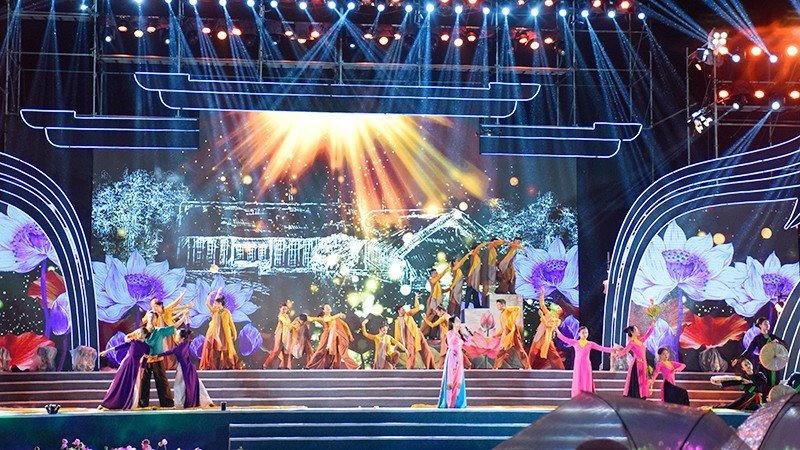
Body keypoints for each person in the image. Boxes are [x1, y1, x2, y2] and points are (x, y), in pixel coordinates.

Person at [139, 311, 189, 408]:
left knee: (162, 382)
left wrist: (184, 317)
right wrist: (127, 338)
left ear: (156, 320)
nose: (151, 319)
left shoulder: (160, 331)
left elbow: (174, 327)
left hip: (157, 360)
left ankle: (167, 404)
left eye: (153, 317)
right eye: (150, 317)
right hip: (145, 360)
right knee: (143, 382)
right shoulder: (142, 331)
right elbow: (132, 336)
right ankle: (142, 404)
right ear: (147, 318)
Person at [157, 325, 214, 408]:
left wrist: (156, 355)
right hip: (190, 367)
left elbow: (167, 352)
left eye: (177, 335)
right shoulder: (185, 343)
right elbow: (187, 332)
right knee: (196, 383)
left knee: (179, 385)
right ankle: (206, 401)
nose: (175, 336)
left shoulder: (179, 347)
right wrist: (187, 322)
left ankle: (179, 403)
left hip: (183, 368)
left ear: (182, 338)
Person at [98, 326, 151, 410]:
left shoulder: (147, 347)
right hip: (126, 365)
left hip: (135, 367)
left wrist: (142, 371)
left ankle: (127, 403)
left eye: (142, 333)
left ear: (146, 335)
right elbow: (119, 347)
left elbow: (145, 360)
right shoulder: (133, 342)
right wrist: (107, 351)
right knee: (117, 383)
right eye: (138, 333)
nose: (140, 335)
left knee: (130, 386)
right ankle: (106, 403)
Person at [733, 316, 786, 397]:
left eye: (768, 323)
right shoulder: (758, 338)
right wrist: (738, 358)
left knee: (776, 384)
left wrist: (778, 342)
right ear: (760, 325)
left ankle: (775, 401)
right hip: (764, 364)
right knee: (764, 384)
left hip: (773, 365)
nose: (768, 325)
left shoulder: (773, 337)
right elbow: (749, 350)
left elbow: (784, 344)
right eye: (765, 323)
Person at [555, 325, 613, 397]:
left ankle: (587, 395)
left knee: (586, 379)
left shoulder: (590, 344)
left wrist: (613, 350)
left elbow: (602, 348)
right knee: (578, 379)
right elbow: (563, 338)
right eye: (583, 332)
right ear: (579, 334)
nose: (585, 334)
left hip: (586, 365)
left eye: (586, 333)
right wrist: (556, 330)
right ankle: (577, 395)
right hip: (578, 365)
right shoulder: (575, 342)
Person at [142, 292, 192, 370]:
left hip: (167, 333)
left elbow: (175, 304)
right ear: (152, 305)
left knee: (168, 349)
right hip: (156, 336)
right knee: (159, 350)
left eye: (158, 303)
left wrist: (182, 296)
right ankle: (159, 365)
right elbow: (143, 321)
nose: (157, 305)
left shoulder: (165, 310)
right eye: (155, 304)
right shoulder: (150, 314)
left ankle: (168, 365)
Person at [199, 289, 243, 370]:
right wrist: (210, 295)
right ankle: (212, 366)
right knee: (213, 350)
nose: (215, 305)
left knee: (226, 349)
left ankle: (227, 365)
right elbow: (207, 303)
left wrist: (234, 333)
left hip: (224, 334)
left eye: (216, 303)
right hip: (214, 333)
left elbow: (231, 324)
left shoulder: (227, 312)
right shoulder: (214, 311)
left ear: (220, 304)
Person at [306, 305, 358, 369]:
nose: (328, 308)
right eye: (326, 307)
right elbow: (327, 319)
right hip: (326, 336)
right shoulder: (326, 317)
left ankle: (330, 367)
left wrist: (350, 335)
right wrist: (338, 315)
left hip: (334, 337)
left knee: (334, 353)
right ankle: (309, 366)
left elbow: (345, 325)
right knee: (320, 351)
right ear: (324, 310)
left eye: (329, 307)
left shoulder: (335, 318)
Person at [394, 293, 436, 369]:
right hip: (409, 339)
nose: (404, 310)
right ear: (399, 311)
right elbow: (397, 335)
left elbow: (417, 308)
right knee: (411, 354)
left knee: (426, 351)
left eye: (403, 308)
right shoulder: (397, 322)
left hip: (418, 334)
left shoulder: (408, 314)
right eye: (402, 309)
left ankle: (431, 368)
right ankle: (409, 370)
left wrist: (416, 298)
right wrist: (396, 346)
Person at [616, 320, 656, 399]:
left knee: (643, 379)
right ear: (632, 332)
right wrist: (617, 354)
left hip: (643, 363)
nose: (638, 331)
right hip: (636, 364)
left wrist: (652, 327)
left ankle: (642, 395)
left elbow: (647, 335)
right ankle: (635, 395)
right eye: (636, 329)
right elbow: (625, 351)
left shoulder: (639, 341)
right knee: (636, 379)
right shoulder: (631, 342)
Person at [528, 288, 564, 370]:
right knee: (532, 352)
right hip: (539, 336)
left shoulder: (557, 320)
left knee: (554, 354)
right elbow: (542, 305)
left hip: (547, 338)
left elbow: (548, 325)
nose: (556, 306)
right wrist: (542, 294)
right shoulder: (548, 313)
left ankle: (561, 369)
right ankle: (528, 367)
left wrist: (542, 316)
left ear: (558, 312)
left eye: (558, 307)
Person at [493, 297, 531, 369]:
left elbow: (517, 308)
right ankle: (495, 368)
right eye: (497, 305)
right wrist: (495, 335)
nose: (497, 306)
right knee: (501, 351)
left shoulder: (507, 311)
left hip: (513, 335)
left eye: (498, 305)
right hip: (507, 337)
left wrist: (506, 308)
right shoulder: (501, 315)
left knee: (520, 351)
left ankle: (528, 367)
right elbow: (503, 328)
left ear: (502, 305)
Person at [438, 316, 467, 409]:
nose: (460, 322)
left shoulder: (460, 334)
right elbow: (450, 343)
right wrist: (455, 331)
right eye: (457, 321)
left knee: (458, 379)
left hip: (459, 357)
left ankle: (457, 402)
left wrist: (464, 332)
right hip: (452, 356)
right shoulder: (449, 333)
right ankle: (448, 402)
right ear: (453, 323)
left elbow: (467, 342)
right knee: (450, 378)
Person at [263, 302, 294, 369]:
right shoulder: (280, 316)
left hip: (285, 334)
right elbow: (286, 323)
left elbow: (288, 325)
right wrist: (293, 325)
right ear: (280, 309)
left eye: (285, 309)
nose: (284, 310)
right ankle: (266, 365)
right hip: (279, 334)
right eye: (283, 309)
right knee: (276, 350)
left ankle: (284, 366)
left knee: (286, 351)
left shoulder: (286, 316)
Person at [421, 267, 450, 336]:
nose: (437, 274)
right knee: (431, 315)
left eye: (436, 272)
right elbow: (440, 276)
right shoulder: (432, 280)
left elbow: (441, 291)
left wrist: (449, 288)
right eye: (435, 273)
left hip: (438, 301)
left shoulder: (437, 282)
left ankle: (436, 334)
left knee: (437, 317)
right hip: (433, 300)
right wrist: (446, 269)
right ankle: (422, 332)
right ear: (431, 275)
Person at [464, 242, 487, 309]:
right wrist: (469, 276)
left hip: (476, 276)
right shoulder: (473, 255)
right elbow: (472, 267)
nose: (479, 250)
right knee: (469, 291)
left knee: (475, 291)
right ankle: (466, 306)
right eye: (478, 249)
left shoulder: (476, 256)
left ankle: (477, 305)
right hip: (472, 276)